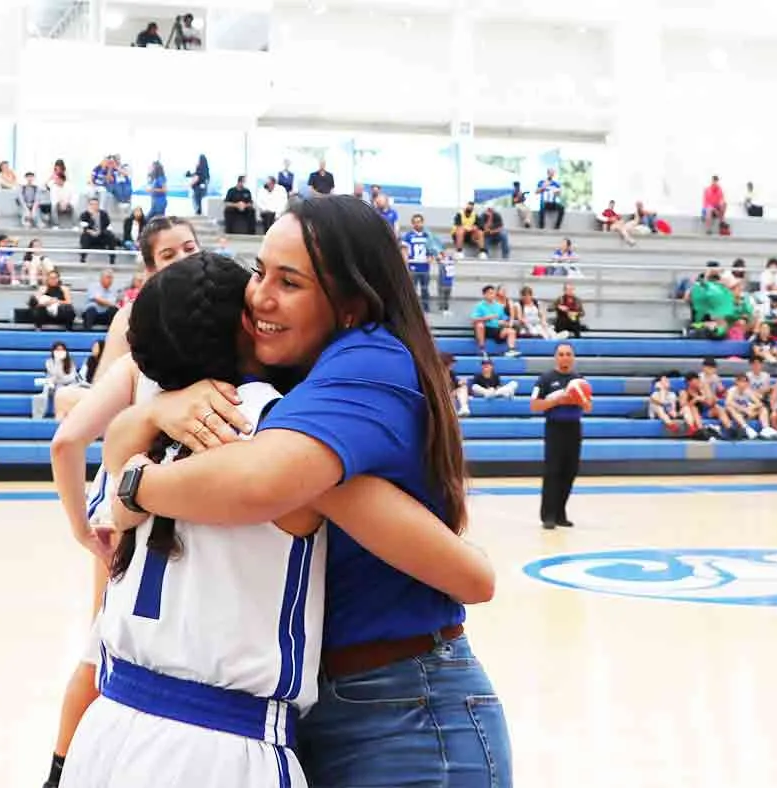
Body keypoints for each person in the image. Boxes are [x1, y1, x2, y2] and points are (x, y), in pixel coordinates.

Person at [96, 196, 512, 786]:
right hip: (301, 711)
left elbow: (262, 482)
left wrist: (135, 481)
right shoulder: (250, 403)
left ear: (350, 304)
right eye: (260, 272)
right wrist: (155, 412)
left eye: (289, 282)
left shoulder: (365, 361)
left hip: (403, 708)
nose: (260, 296)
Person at [41, 216, 204, 788]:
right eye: (168, 254)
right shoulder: (135, 322)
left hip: (183, 490)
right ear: (149, 267)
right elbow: (105, 412)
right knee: (106, 634)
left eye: (190, 247)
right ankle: (63, 768)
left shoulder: (217, 309)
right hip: (130, 490)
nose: (182, 258)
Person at [530, 343, 591, 530]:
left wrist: (578, 400)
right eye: (561, 354)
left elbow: (589, 407)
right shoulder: (545, 379)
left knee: (570, 471)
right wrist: (558, 400)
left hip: (574, 428)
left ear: (573, 357)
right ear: (556, 357)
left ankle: (560, 513)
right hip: (555, 428)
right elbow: (534, 405)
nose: (565, 357)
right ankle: (548, 515)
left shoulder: (579, 380)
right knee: (553, 471)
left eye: (568, 354)